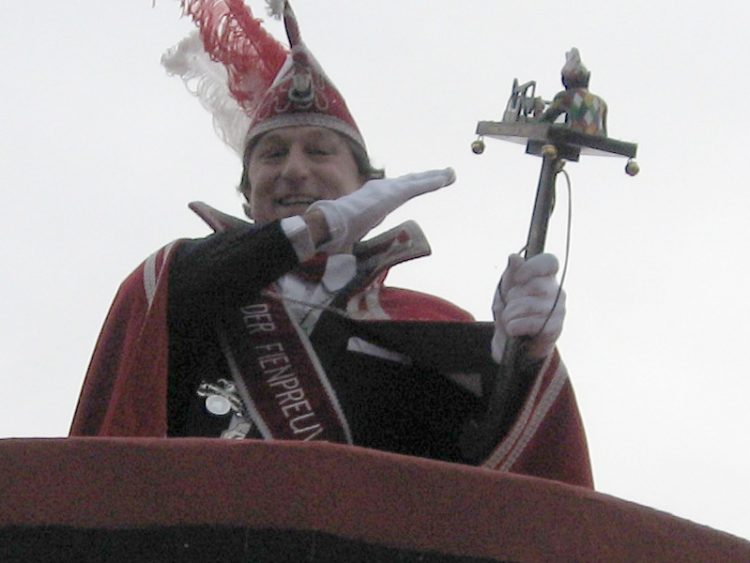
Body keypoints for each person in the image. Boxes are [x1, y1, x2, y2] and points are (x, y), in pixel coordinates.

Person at [70, 0, 592, 487]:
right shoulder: (185, 290)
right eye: (272, 156)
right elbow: (180, 282)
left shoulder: (426, 322)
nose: (295, 169)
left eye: (319, 151)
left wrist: (519, 356)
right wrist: (317, 227)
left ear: (369, 188)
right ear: (248, 198)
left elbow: (480, 477)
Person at [539, 48, 608, 136]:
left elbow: (545, 120)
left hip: (574, 140)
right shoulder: (601, 103)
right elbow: (605, 133)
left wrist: (538, 110)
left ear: (565, 80)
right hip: (596, 145)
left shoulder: (564, 97)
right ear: (587, 78)